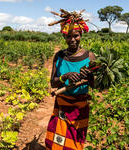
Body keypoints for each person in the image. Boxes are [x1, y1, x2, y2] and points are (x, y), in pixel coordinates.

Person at [45, 10, 95, 150]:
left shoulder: (89, 57)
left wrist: (90, 77)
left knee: (75, 144)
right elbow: (53, 83)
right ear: (64, 36)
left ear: (81, 35)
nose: (72, 40)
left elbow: (96, 85)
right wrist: (65, 76)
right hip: (61, 105)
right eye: (68, 36)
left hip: (80, 108)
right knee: (55, 142)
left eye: (76, 36)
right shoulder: (59, 56)